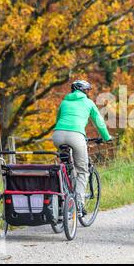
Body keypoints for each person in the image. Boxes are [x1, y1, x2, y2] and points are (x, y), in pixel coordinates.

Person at [52, 80, 111, 215]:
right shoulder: (88, 103)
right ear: (84, 91)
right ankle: (79, 205)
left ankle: (63, 195)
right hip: (76, 136)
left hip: (57, 135)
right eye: (87, 90)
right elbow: (99, 122)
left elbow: (58, 120)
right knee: (82, 171)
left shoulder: (64, 102)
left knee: (64, 165)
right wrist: (107, 137)